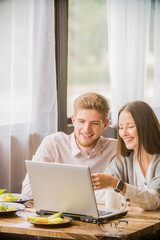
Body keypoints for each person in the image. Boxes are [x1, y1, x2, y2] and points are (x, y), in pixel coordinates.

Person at [22, 92, 117, 203]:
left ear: (105, 125)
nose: (86, 129)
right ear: (73, 120)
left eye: (94, 123)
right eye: (81, 121)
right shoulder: (53, 144)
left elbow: (125, 194)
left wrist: (62, 193)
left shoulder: (115, 149)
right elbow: (28, 192)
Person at [92, 100, 160, 210]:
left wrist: (117, 185)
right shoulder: (123, 160)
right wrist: (130, 198)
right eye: (121, 127)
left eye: (130, 126)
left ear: (146, 126)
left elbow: (153, 200)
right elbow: (98, 194)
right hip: (136, 224)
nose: (124, 133)